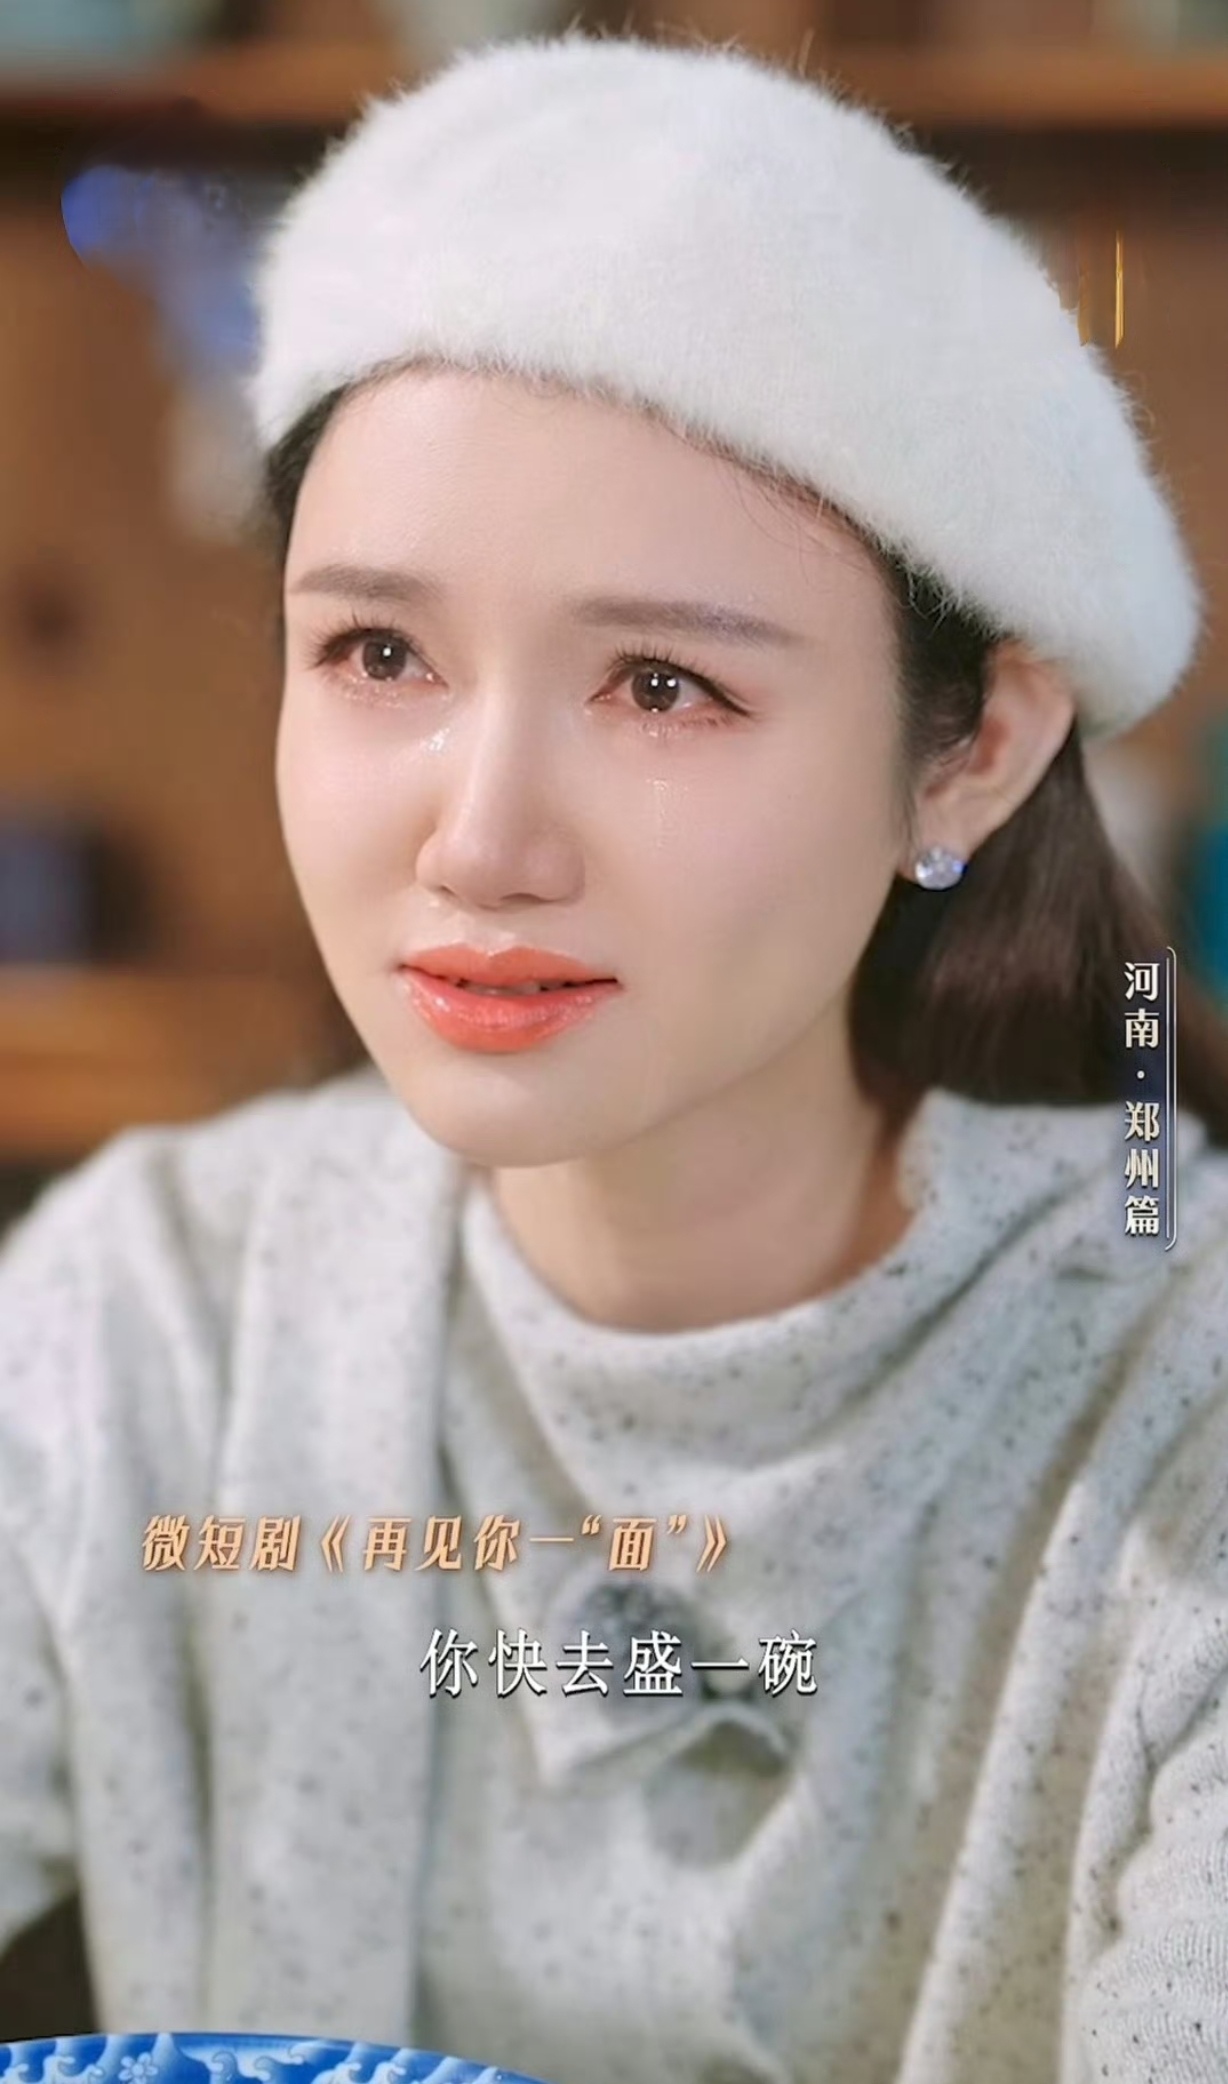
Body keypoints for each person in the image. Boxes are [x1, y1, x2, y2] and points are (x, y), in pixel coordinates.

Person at [3, 28, 1228, 2084]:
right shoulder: (159, 1321)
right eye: (378, 652)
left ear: (973, 751)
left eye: (660, 685)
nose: (479, 841)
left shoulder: (1178, 1427)